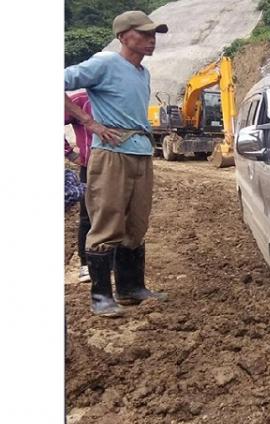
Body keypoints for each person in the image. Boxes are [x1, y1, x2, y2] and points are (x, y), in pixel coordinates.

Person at [64, 10, 169, 317]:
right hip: (111, 155)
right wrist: (89, 122)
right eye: (144, 33)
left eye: (153, 34)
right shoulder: (105, 63)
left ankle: (130, 288)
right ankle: (100, 297)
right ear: (123, 36)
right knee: (107, 221)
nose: (151, 39)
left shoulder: (143, 73)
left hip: (140, 154)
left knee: (136, 222)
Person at [65, 91, 93, 283]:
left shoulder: (117, 97)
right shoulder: (79, 100)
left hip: (117, 166)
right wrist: (69, 153)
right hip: (89, 166)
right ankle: (86, 265)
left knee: (116, 213)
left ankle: (110, 262)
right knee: (87, 216)